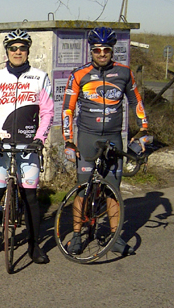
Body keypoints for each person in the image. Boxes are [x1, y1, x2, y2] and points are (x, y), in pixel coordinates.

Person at [62, 26, 150, 256]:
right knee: (82, 189)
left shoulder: (124, 73)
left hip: (113, 138)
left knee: (113, 190)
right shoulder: (79, 74)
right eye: (97, 50)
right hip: (87, 137)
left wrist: (143, 128)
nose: (102, 54)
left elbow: (136, 101)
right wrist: (68, 140)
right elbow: (68, 109)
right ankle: (77, 236)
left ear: (112, 50)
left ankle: (115, 236)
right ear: (91, 51)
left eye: (106, 50)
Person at [0, 29, 53, 264]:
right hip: (0, 145)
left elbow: (48, 112)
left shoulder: (40, 77)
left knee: (30, 197)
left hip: (28, 146)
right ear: (7, 51)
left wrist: (40, 139)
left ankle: (34, 246)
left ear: (28, 51)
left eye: (22, 48)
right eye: (13, 48)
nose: (17, 52)